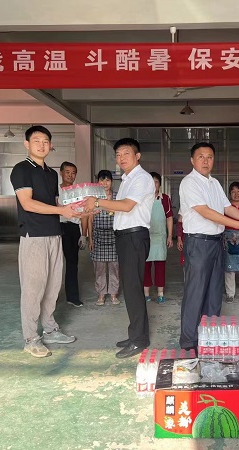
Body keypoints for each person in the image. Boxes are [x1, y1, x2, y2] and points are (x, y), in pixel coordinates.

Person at [179, 142, 239, 351]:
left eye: (210, 157)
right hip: (198, 242)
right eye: (201, 157)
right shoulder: (189, 183)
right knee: (195, 292)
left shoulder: (214, 183)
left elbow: (227, 208)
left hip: (216, 242)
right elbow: (205, 211)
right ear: (192, 160)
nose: (206, 161)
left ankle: (209, 337)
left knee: (214, 292)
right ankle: (189, 341)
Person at [10, 125, 79, 358]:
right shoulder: (21, 169)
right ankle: (31, 338)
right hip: (34, 236)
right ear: (27, 144)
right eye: (36, 140)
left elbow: (57, 204)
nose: (41, 145)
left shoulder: (51, 173)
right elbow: (27, 203)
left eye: (46, 141)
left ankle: (50, 329)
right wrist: (61, 210)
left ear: (51, 145)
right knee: (33, 288)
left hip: (54, 234)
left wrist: (79, 210)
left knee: (53, 285)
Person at [82, 138, 154, 359]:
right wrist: (99, 208)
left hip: (134, 237)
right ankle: (137, 335)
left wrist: (97, 202)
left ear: (137, 156)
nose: (121, 158)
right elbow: (120, 209)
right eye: (118, 155)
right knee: (131, 288)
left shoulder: (141, 178)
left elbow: (127, 206)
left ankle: (139, 340)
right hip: (125, 237)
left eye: (126, 153)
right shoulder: (126, 179)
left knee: (133, 288)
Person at [88, 170, 120, 306]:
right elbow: (90, 219)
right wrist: (90, 239)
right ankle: (101, 294)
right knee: (99, 268)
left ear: (112, 182)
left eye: (107, 180)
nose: (105, 183)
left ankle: (113, 294)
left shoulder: (118, 196)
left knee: (115, 267)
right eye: (102, 180)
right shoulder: (94, 198)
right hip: (99, 237)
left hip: (114, 237)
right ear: (98, 182)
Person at [144, 172, 174, 303]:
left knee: (160, 266)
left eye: (156, 182)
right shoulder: (143, 199)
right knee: (145, 266)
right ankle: (146, 293)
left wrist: (170, 236)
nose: (153, 184)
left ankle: (160, 293)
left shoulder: (165, 199)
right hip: (145, 237)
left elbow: (169, 218)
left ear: (159, 185)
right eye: (151, 182)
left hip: (160, 237)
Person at [59, 161, 85, 308]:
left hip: (74, 228)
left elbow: (83, 215)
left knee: (72, 263)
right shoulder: (55, 191)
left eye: (73, 173)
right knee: (55, 264)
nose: (70, 175)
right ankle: (52, 297)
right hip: (58, 227)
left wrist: (83, 234)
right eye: (67, 172)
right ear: (61, 173)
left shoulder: (79, 192)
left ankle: (72, 297)